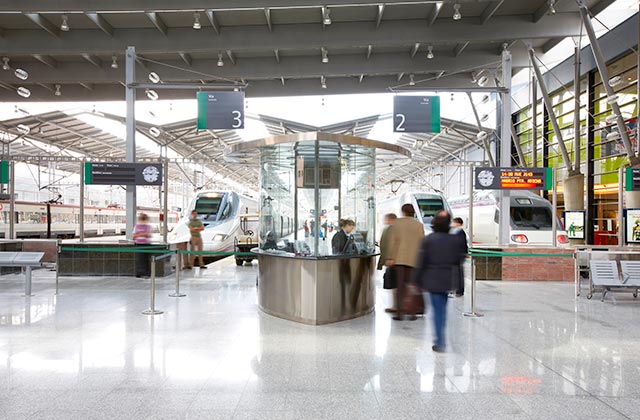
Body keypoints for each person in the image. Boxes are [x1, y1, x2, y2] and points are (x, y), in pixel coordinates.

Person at [414, 211, 466, 352]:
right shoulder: (454, 240)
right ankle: (441, 338)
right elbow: (459, 259)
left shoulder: (428, 240)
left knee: (437, 310)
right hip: (447, 279)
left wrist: (416, 279)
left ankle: (440, 341)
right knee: (441, 309)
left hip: (431, 279)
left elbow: (421, 261)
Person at [386, 204, 425, 321]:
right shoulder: (419, 225)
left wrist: (390, 257)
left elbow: (393, 241)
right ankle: (412, 313)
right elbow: (422, 242)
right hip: (414, 260)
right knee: (412, 287)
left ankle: (399, 313)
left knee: (400, 287)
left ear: (403, 211)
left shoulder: (397, 223)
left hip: (399, 259)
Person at [377, 213, 398, 313]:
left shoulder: (391, 230)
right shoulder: (390, 229)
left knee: (395, 285)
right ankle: (396, 305)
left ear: (390, 219)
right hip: (393, 261)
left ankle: (396, 306)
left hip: (392, 261)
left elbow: (390, 245)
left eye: (386, 219)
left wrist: (389, 258)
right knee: (395, 285)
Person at [451, 217, 468, 297]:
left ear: (458, 223)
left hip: (459, 256)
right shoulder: (456, 232)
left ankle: (459, 291)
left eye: (454, 222)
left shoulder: (460, 232)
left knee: (458, 274)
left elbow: (460, 245)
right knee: (455, 274)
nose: (453, 224)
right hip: (456, 256)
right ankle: (455, 289)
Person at [133, 213, 152, 278]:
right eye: (141, 219)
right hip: (138, 244)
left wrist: (140, 234)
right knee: (140, 259)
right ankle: (139, 272)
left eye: (144, 219)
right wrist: (143, 234)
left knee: (146, 259)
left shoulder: (148, 226)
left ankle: (146, 273)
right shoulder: (136, 226)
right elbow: (134, 236)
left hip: (146, 244)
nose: (143, 221)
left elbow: (148, 235)